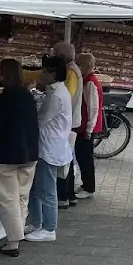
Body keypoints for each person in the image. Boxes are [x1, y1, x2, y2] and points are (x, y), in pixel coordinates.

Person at [0, 58, 39, 257]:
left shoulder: (2, 100)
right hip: (29, 154)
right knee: (22, 197)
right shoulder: (28, 97)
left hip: (5, 156)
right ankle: (17, 234)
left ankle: (13, 242)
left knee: (8, 199)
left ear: (3, 75)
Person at [26, 55, 73, 243]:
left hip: (48, 148)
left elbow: (40, 120)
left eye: (45, 70)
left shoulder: (56, 95)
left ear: (53, 73)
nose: (42, 73)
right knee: (37, 189)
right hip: (46, 146)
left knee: (46, 190)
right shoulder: (55, 91)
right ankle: (36, 223)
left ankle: (49, 228)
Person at [52, 41, 82, 209]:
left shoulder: (70, 72)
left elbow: (65, 97)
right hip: (72, 121)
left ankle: (63, 196)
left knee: (63, 161)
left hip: (68, 123)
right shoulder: (74, 69)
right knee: (67, 160)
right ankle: (69, 195)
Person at [74, 52, 103, 200]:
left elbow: (93, 108)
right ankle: (86, 184)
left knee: (85, 158)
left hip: (86, 126)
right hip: (85, 125)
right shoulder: (88, 80)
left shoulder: (90, 83)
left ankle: (89, 187)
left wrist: (89, 129)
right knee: (82, 156)